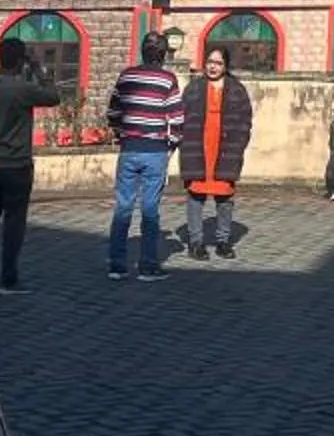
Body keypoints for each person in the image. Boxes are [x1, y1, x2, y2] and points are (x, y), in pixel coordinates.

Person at [0, 36, 63, 292]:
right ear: (20, 61)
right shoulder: (23, 89)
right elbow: (53, 96)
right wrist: (37, 67)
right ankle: (8, 279)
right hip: (17, 163)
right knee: (13, 223)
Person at [105, 33, 183, 281]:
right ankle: (148, 265)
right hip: (155, 150)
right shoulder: (167, 79)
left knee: (123, 206)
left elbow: (113, 112)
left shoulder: (126, 76)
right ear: (163, 54)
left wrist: (122, 135)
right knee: (150, 209)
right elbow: (177, 118)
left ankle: (117, 264)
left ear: (142, 51)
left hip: (129, 148)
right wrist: (171, 145)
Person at [175, 42, 254, 261]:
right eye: (210, 62)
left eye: (218, 63)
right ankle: (196, 242)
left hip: (225, 150)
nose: (213, 67)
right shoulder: (194, 88)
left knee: (224, 198)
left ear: (225, 65)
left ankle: (223, 241)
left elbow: (245, 122)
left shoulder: (237, 90)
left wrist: (238, 145)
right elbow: (181, 118)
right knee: (196, 196)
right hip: (197, 148)